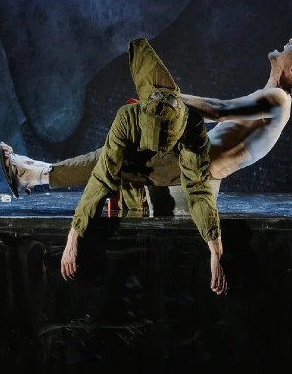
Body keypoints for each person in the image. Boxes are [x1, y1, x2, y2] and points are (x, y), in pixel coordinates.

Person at [0, 38, 292, 199]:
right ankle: (32, 172)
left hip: (193, 167)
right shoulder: (273, 100)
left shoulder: (278, 100)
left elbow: (218, 110)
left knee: (112, 159)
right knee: (114, 158)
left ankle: (30, 175)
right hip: (192, 163)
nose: (290, 41)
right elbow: (216, 120)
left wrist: (166, 98)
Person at [55, 37, 228, 295]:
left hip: (173, 178)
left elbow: (197, 188)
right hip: (130, 176)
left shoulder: (192, 125)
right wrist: (73, 236)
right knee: (97, 161)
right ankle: (37, 174)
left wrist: (215, 250)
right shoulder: (127, 119)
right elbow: (102, 177)